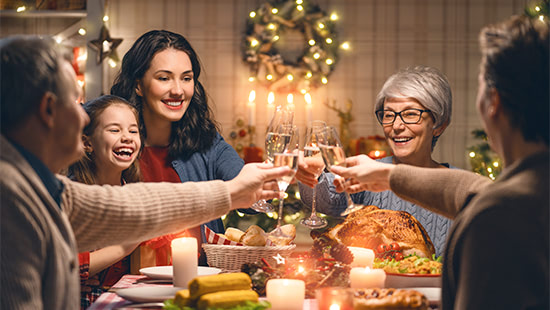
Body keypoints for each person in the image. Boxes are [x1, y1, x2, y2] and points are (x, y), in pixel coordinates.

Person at [0, 35, 290, 309]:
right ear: (48, 109)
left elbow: (132, 206)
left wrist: (233, 191)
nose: (84, 116)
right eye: (74, 101)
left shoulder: (35, 185)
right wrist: (231, 192)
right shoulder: (9, 196)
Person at [330, 15, 548, 310]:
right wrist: (388, 174)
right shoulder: (524, 193)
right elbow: (473, 192)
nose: (396, 125)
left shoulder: (497, 218)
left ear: (493, 102)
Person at [110, 30, 247, 267]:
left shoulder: (207, 142)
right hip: (123, 288)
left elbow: (249, 192)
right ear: (138, 85)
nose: (178, 90)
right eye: (164, 78)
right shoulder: (110, 141)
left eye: (186, 78)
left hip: (196, 287)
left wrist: (281, 175)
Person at [297, 65, 454, 256]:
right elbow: (326, 199)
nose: (396, 126)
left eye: (411, 114)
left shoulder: (459, 188)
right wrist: (312, 173)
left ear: (439, 125)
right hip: (375, 286)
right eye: (389, 115)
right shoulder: (372, 169)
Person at [66, 95, 143, 309]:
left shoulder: (135, 195)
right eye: (114, 130)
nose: (127, 137)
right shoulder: (73, 197)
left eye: (133, 130)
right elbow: (67, 266)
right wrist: (125, 246)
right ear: (87, 142)